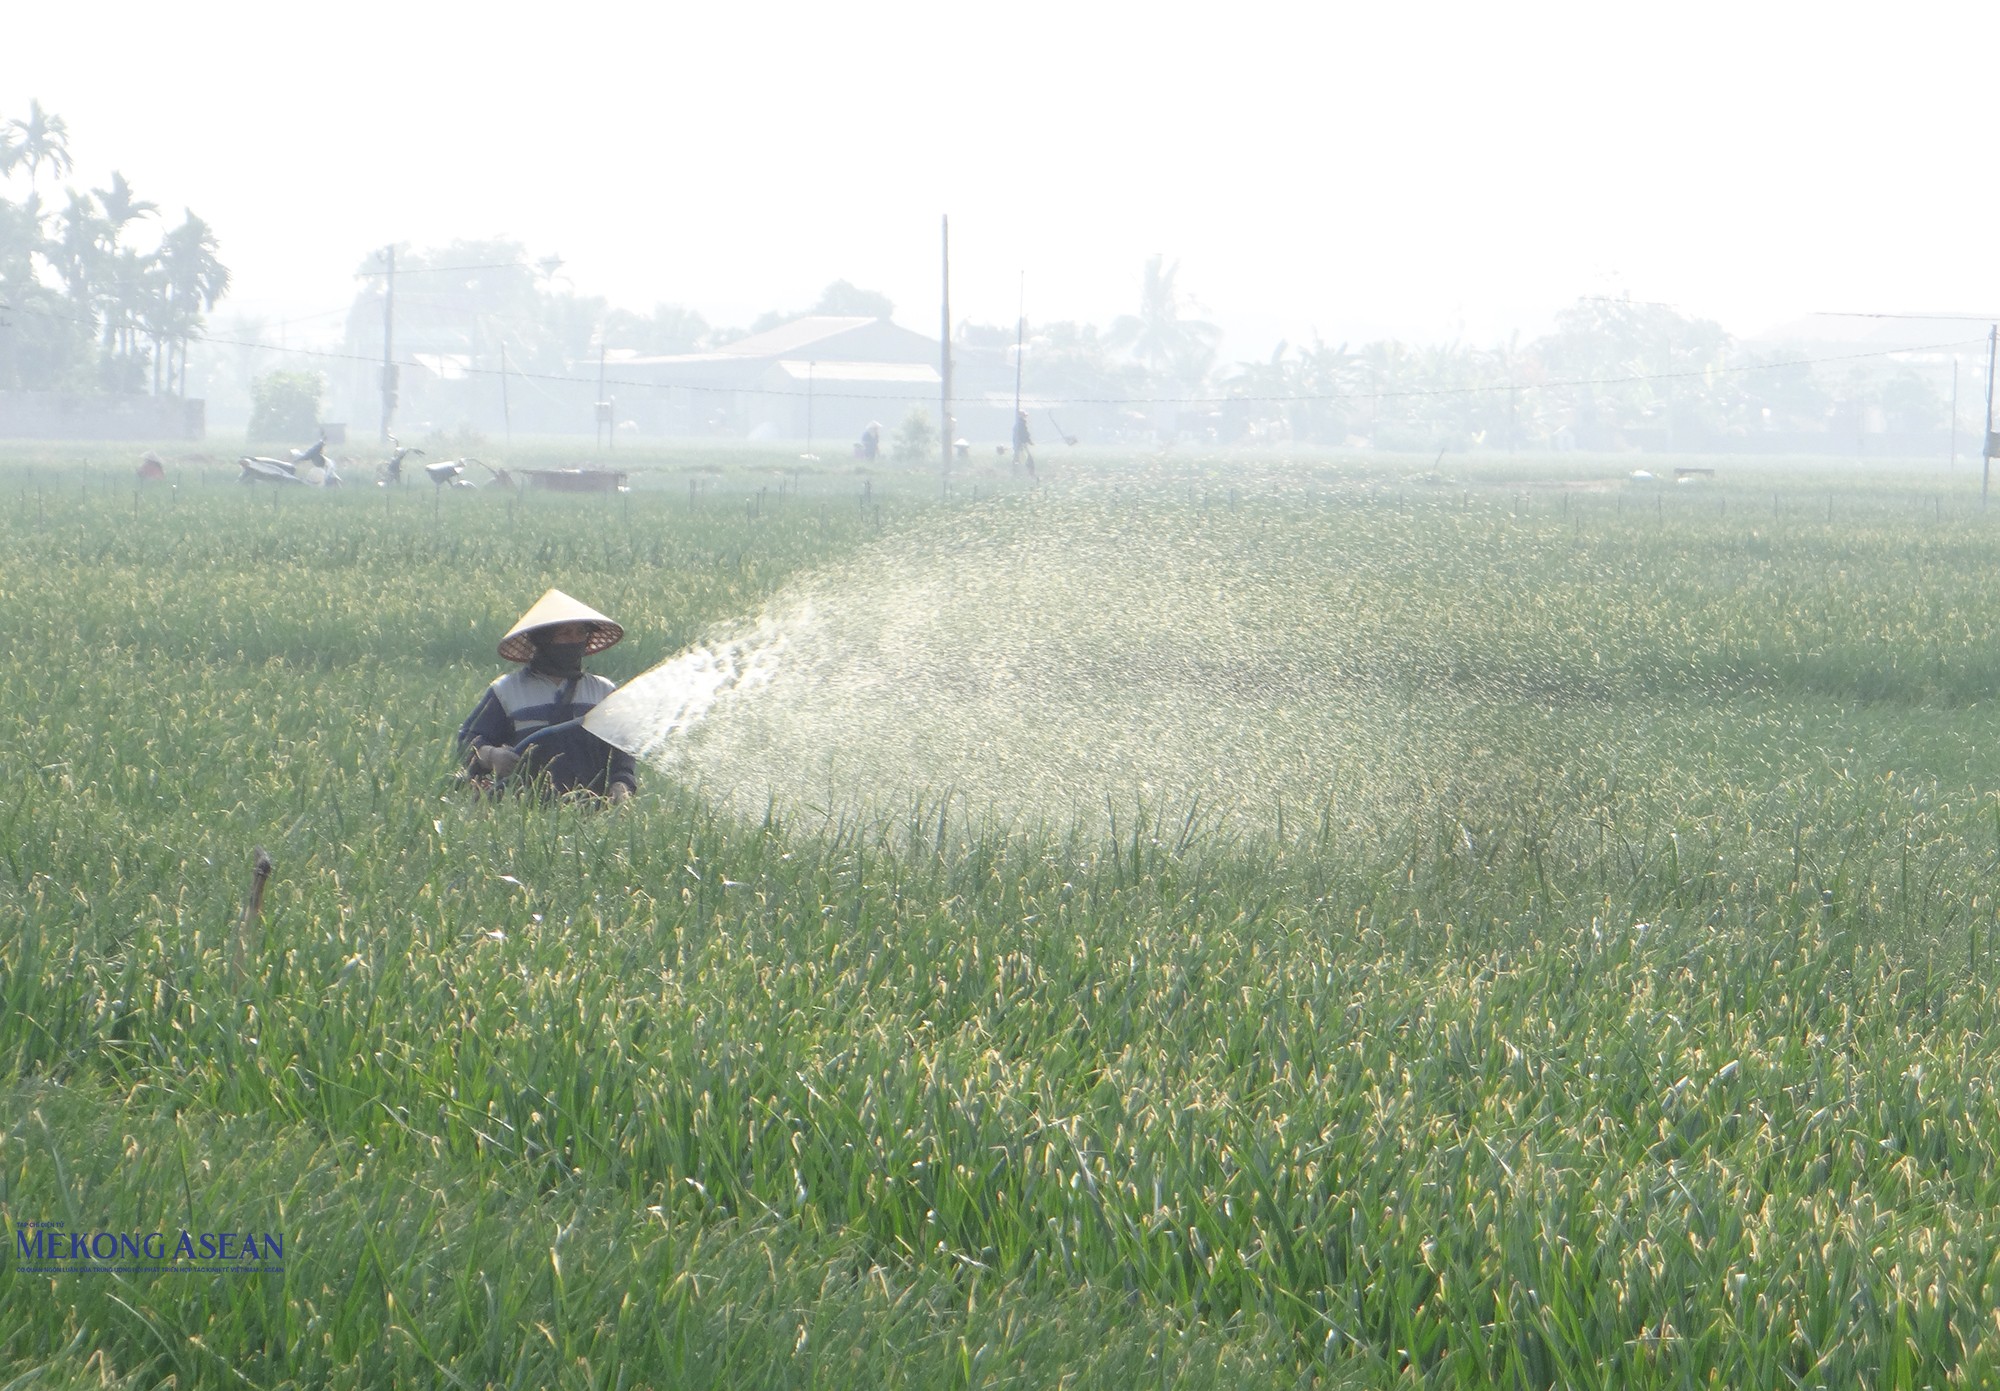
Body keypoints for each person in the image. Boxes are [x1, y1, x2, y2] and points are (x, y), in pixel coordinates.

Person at [457, 588, 637, 802]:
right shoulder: (507, 691)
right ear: (542, 639)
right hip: (525, 808)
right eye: (565, 633)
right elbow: (468, 740)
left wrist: (621, 783)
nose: (574, 640)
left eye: (580, 632)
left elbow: (621, 748)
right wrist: (492, 756)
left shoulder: (603, 691)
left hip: (591, 807)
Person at [1012, 409, 1037, 478]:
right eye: (1024, 416)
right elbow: (1024, 434)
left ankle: (1016, 472)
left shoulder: (1018, 424)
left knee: (1017, 458)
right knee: (1027, 459)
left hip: (1019, 445)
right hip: (1021, 445)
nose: (1025, 417)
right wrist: (1029, 441)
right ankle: (1030, 473)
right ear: (1020, 416)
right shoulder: (1021, 424)